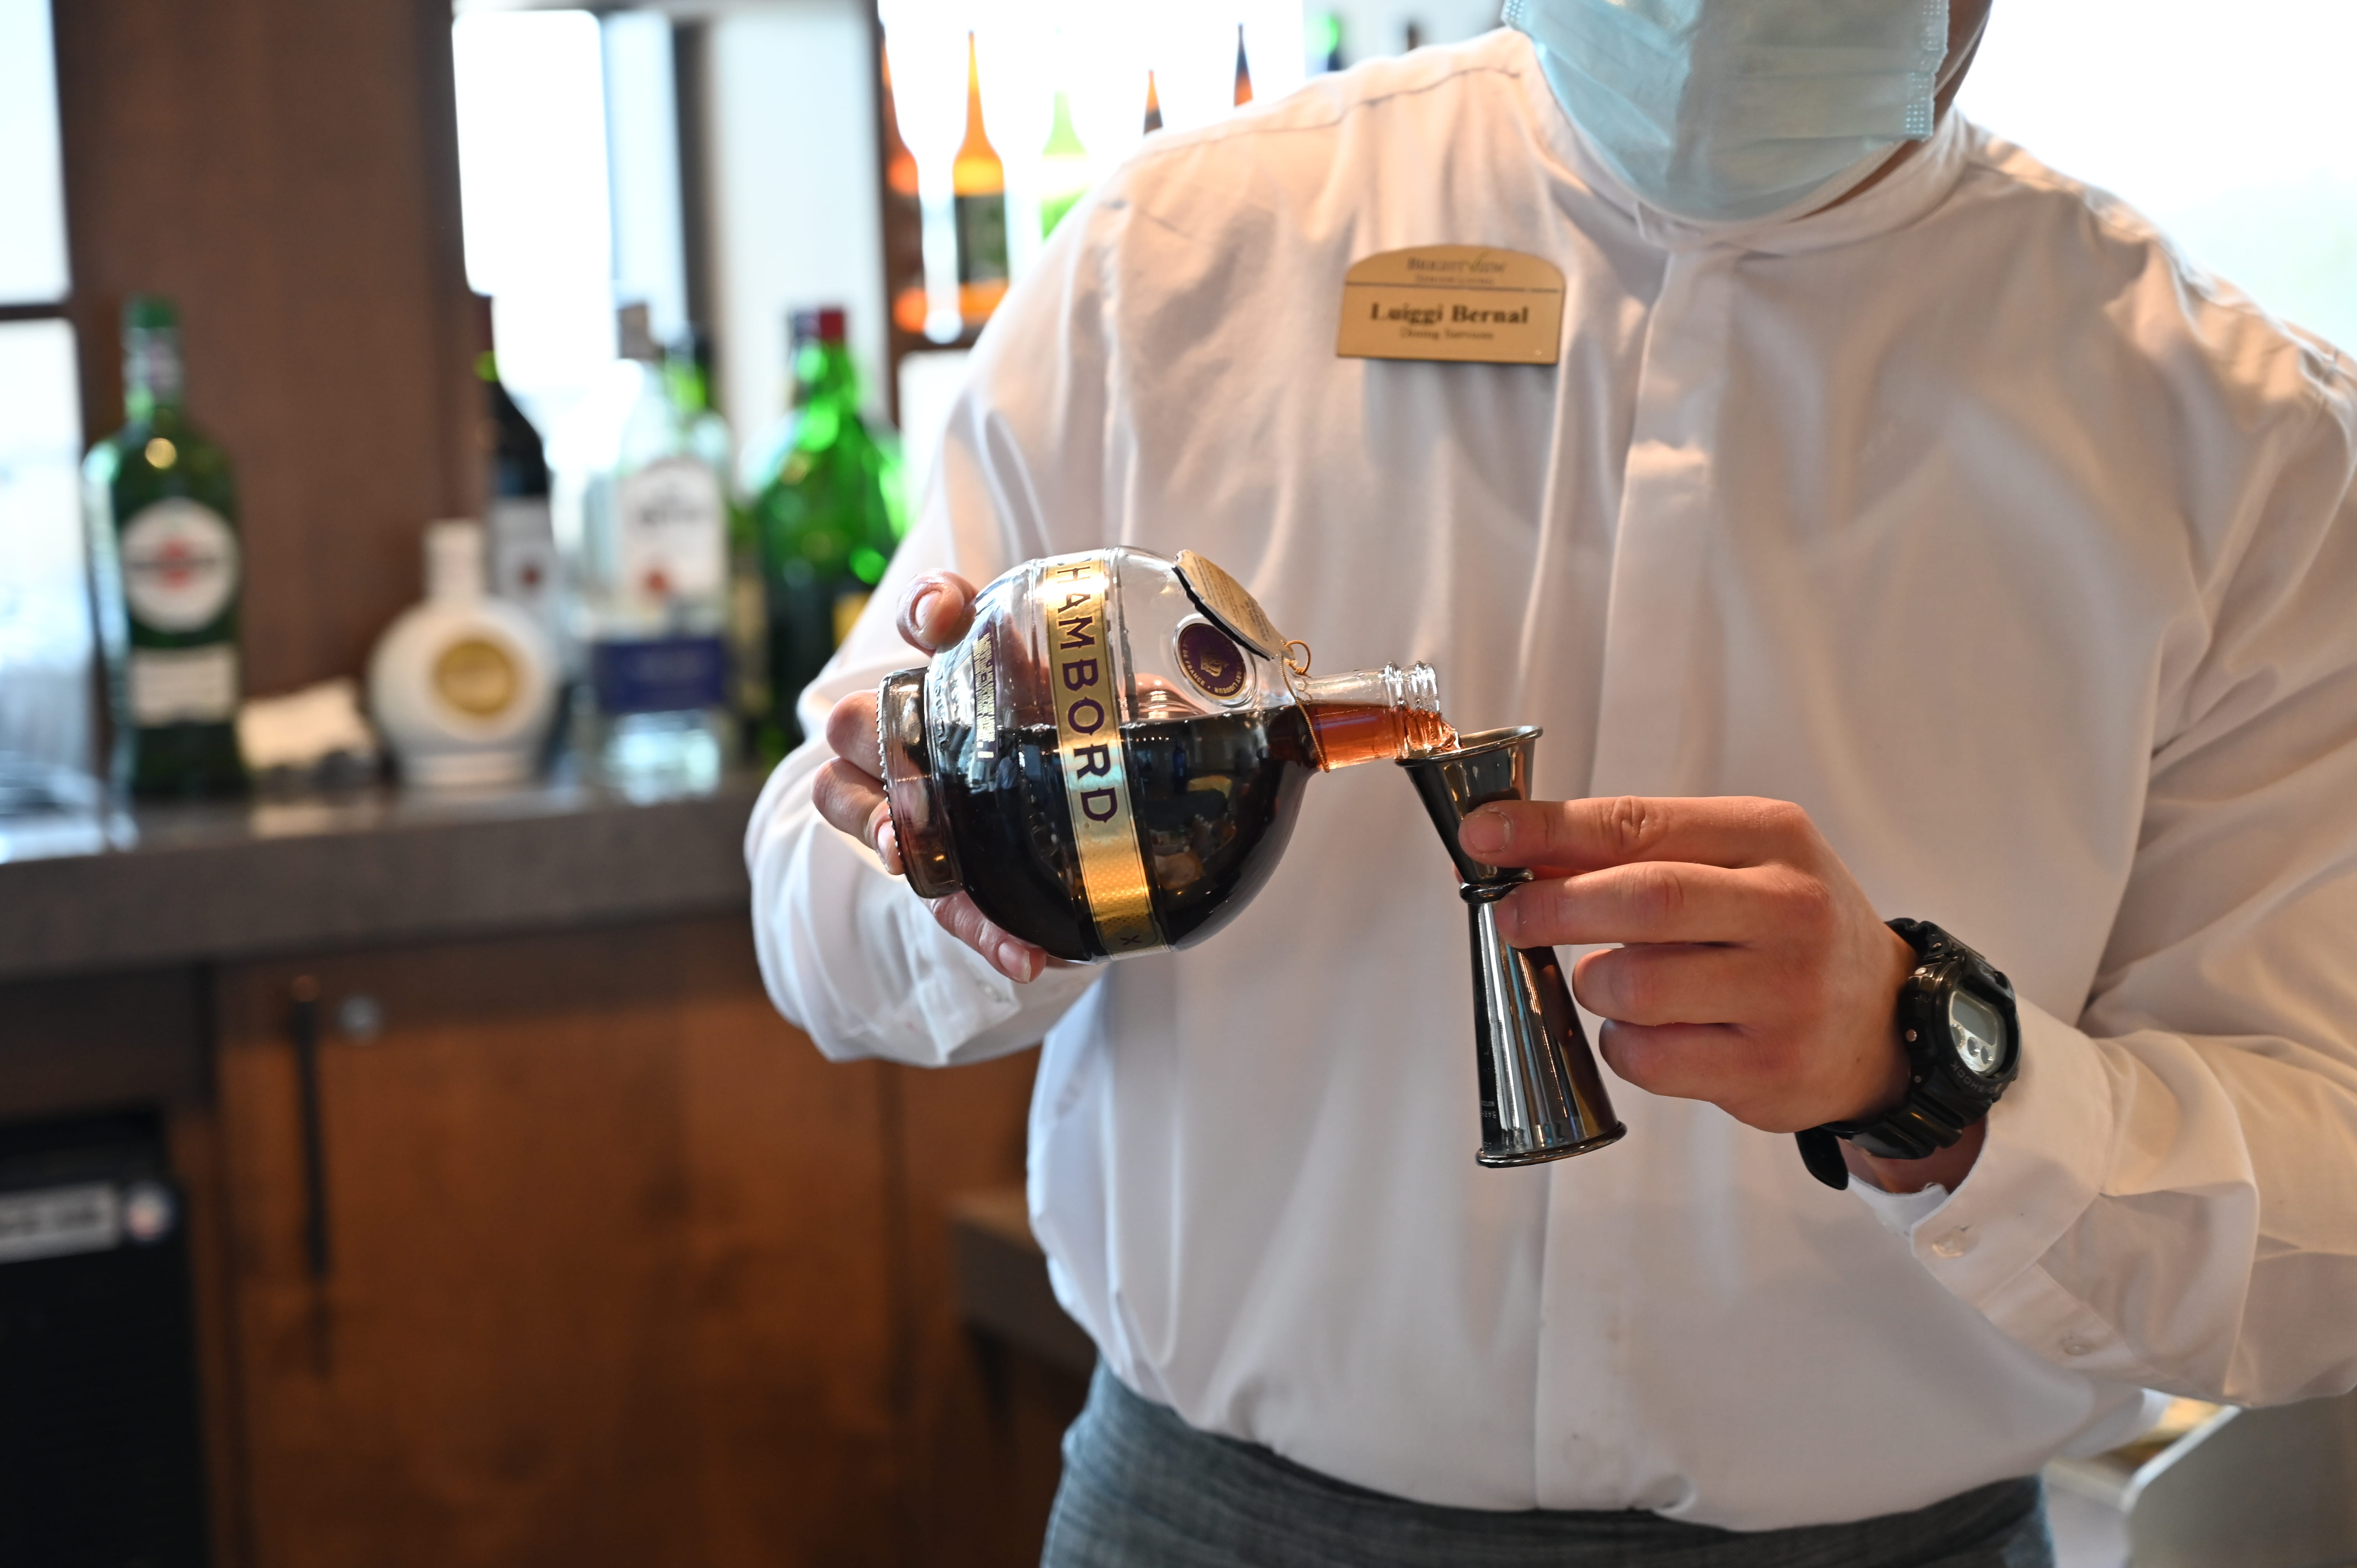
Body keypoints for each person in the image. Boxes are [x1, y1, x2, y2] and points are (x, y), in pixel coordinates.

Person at [749, 0, 2357, 1561]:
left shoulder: (2244, 446)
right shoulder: (1174, 267)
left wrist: (1932, 1071)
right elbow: (812, 916)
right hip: (1213, 1522)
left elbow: (2326, 1242)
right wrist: (964, 855)